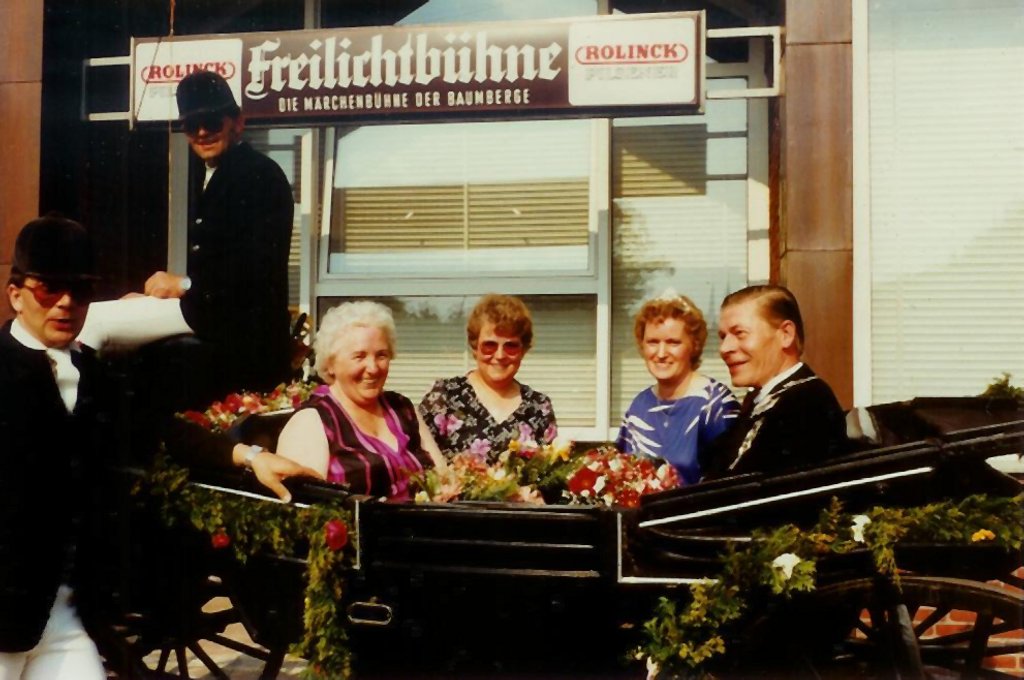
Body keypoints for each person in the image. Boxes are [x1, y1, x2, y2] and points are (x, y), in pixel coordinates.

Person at [126, 69, 294, 408]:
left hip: (239, 327)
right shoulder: (216, 175)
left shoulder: (259, 174)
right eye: (192, 125)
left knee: (92, 324)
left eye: (212, 122)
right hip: (215, 315)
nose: (202, 132)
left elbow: (255, 266)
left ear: (238, 122)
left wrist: (184, 285)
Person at [0, 216, 106, 679]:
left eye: (80, 290)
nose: (65, 303)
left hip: (61, 616)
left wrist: (249, 456)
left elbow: (161, 432)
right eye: (49, 289)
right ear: (16, 294)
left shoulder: (100, 375)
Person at [276, 302, 443, 499]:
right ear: (330, 364)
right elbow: (310, 512)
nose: (373, 368)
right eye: (359, 356)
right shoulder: (312, 422)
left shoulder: (402, 409)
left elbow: (443, 477)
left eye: (381, 355)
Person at [699, 285, 849, 479]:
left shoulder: (807, 405)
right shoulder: (761, 401)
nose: (724, 348)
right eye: (722, 337)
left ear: (785, 334)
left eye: (740, 333)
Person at [615, 292, 739, 485]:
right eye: (653, 342)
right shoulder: (639, 406)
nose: (661, 353)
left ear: (694, 346)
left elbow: (729, 486)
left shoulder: (715, 404)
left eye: (673, 342)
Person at [419, 294, 557, 461]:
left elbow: (550, 476)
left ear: (523, 350)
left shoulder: (539, 407)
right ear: (475, 347)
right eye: (489, 345)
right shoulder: (444, 397)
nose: (500, 355)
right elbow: (418, 467)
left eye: (511, 346)